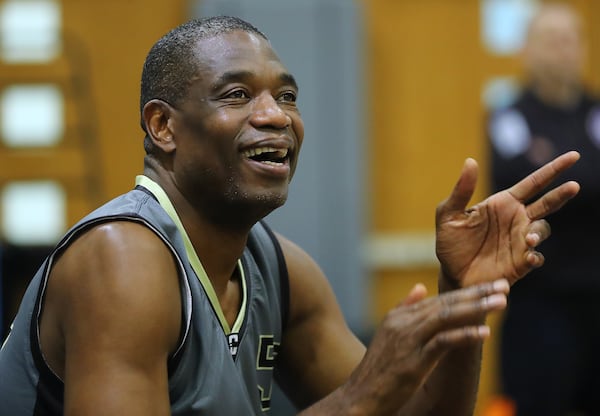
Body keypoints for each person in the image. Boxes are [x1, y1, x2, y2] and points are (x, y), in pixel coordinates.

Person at [0, 15, 580, 416]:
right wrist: (363, 393)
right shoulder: (121, 261)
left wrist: (459, 299)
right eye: (236, 95)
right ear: (163, 127)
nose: (275, 116)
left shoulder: (279, 270)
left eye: (287, 96)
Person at [487, 3, 600, 415]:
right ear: (527, 51)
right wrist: (588, 174)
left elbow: (558, 179)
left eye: (571, 39)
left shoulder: (595, 111)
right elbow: (520, 182)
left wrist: (559, 167)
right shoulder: (509, 116)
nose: (563, 50)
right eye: (551, 40)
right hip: (540, 302)